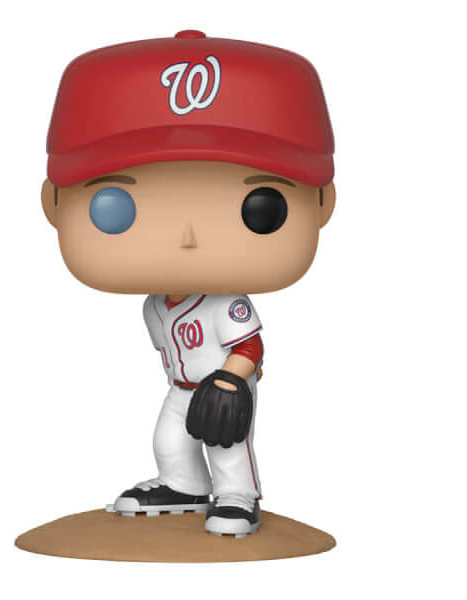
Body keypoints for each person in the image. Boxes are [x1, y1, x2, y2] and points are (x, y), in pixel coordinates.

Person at [41, 31, 335, 536]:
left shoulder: (226, 302)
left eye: (259, 208)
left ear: (323, 202)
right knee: (169, 440)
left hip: (224, 383)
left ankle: (238, 496)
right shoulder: (155, 304)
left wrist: (232, 380)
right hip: (182, 387)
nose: (188, 237)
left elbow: (251, 345)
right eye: (116, 208)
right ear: (53, 203)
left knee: (227, 443)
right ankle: (184, 487)